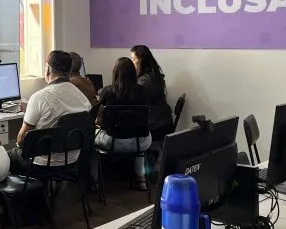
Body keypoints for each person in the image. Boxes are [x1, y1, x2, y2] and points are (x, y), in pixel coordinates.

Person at [10, 50, 92, 170]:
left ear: (48, 69)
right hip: (73, 159)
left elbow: (21, 139)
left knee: (7, 157)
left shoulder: (39, 97)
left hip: (42, 163)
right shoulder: (82, 97)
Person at [92, 57, 152, 189]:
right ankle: (141, 178)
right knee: (138, 133)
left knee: (90, 139)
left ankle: (94, 181)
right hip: (141, 142)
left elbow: (99, 121)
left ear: (115, 73)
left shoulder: (107, 91)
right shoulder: (143, 91)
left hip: (113, 143)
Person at [129, 45, 174, 140]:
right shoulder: (153, 75)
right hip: (164, 122)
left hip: (157, 125)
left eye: (133, 59)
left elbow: (130, 99)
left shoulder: (145, 81)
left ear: (142, 60)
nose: (131, 63)